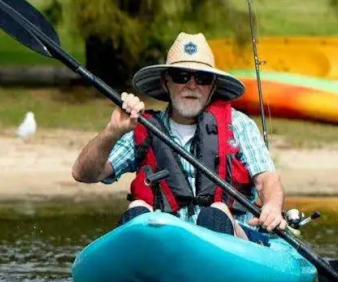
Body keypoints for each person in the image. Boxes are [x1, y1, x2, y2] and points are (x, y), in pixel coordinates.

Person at [70, 32, 287, 242]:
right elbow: (84, 173)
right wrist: (112, 131)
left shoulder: (238, 125)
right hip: (165, 246)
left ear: (212, 87)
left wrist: (272, 206)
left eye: (202, 78)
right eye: (181, 76)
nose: (191, 85)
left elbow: (268, 179)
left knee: (217, 212)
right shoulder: (141, 127)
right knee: (138, 212)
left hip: (232, 245)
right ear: (166, 82)